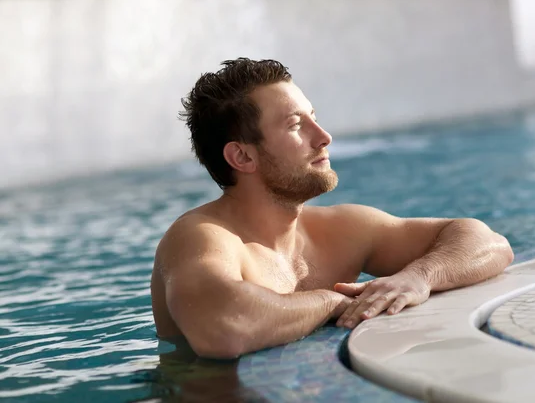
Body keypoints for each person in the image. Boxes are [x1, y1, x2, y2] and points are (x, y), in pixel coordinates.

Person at [150, 58, 514, 359]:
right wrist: (331, 301)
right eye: (296, 125)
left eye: (314, 116)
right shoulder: (201, 238)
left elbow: (490, 243)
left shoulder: (338, 229)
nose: (323, 136)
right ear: (243, 156)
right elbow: (223, 327)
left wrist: (419, 277)